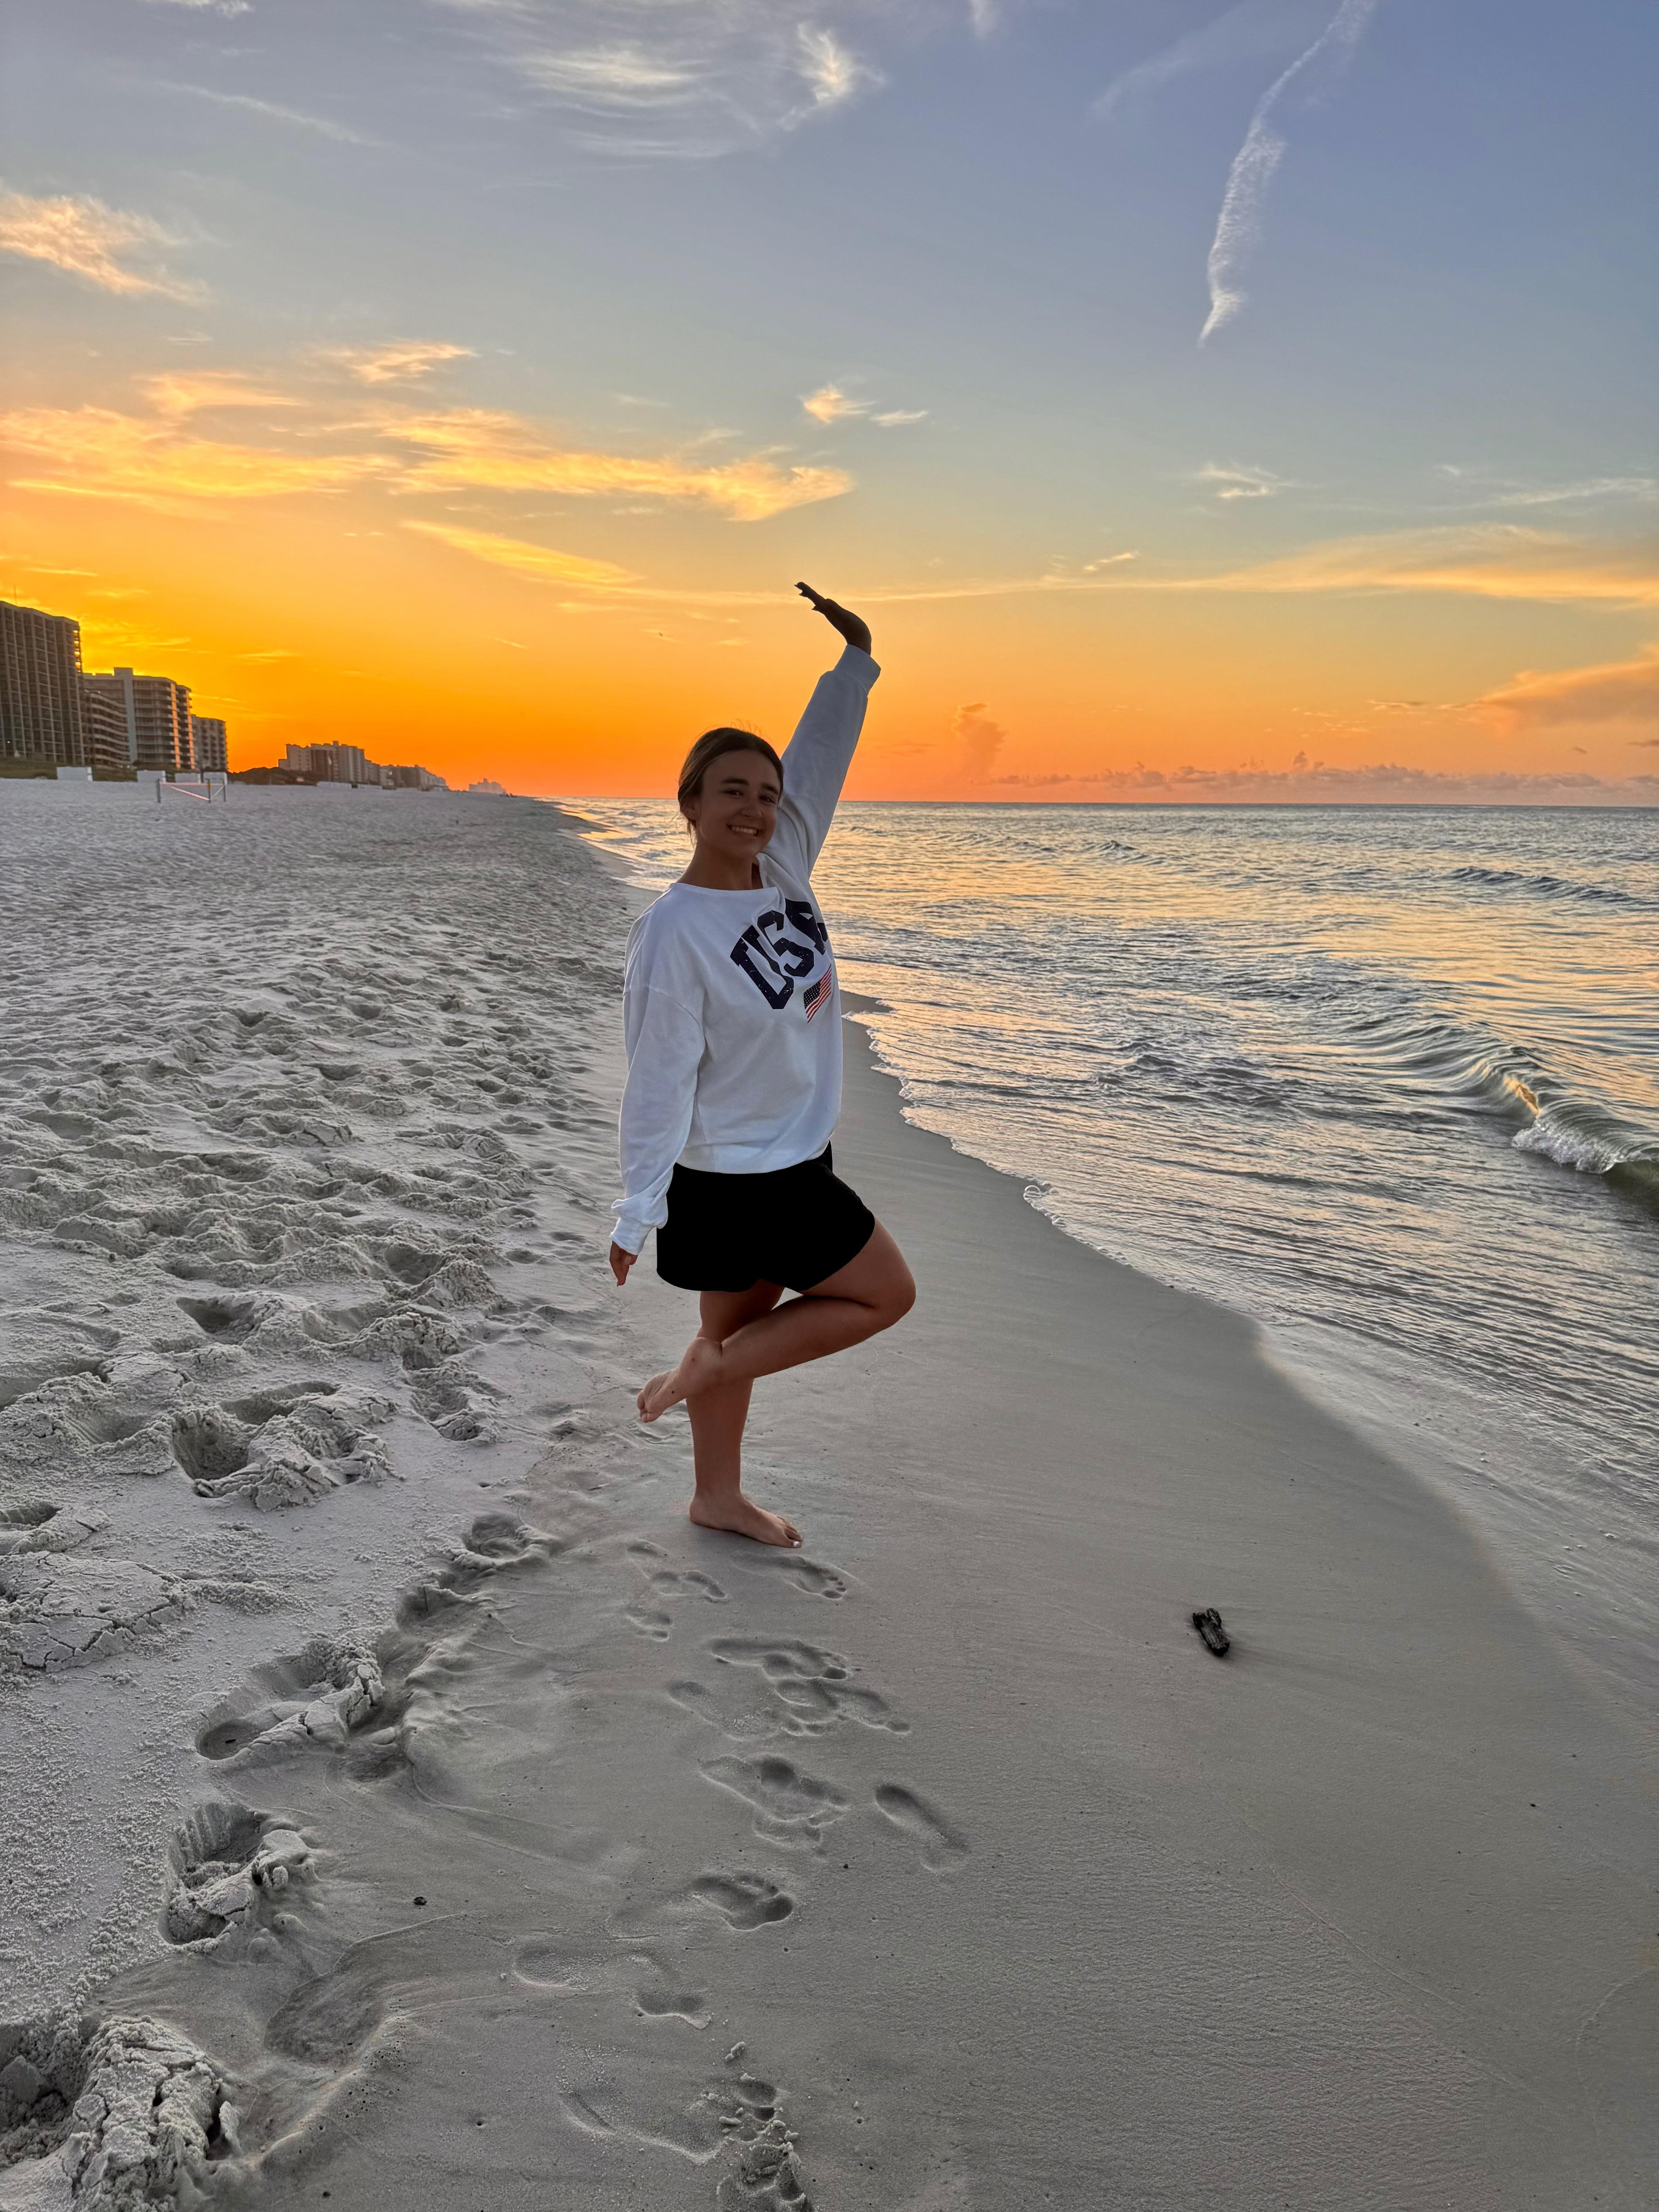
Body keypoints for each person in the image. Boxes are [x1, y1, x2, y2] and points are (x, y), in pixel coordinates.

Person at [608, 582, 916, 1549]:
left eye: (766, 794)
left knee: (728, 1337)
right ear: (692, 803)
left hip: (789, 1157)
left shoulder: (783, 869)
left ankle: (715, 1496)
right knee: (883, 1295)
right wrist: (635, 1207)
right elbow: (656, 1076)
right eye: (731, 790)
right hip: (739, 1176)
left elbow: (818, 758)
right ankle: (701, 1379)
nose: (755, 807)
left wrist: (855, 663)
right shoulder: (673, 933)